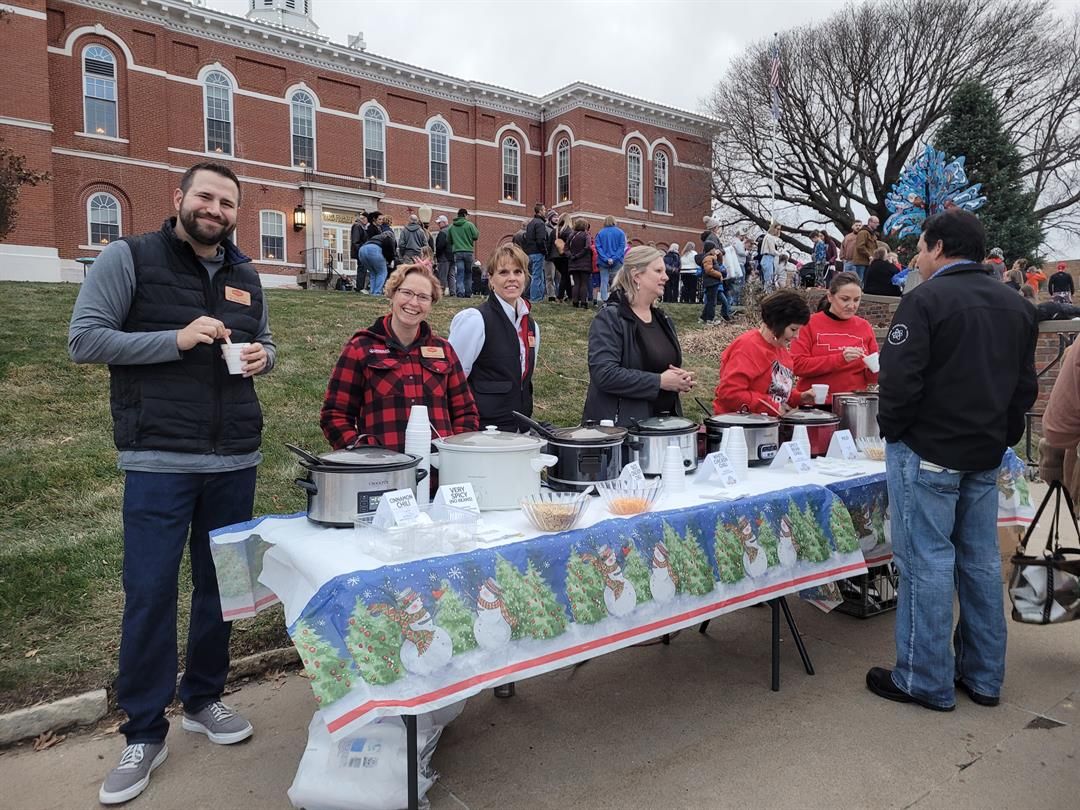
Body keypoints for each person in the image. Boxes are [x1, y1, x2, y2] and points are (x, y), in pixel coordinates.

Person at [68, 162, 273, 805]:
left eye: (227, 202)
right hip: (158, 458)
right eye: (206, 196)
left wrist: (265, 356)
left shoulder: (245, 273)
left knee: (223, 587)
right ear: (179, 198)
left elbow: (263, 341)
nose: (216, 209)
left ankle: (204, 699)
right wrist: (175, 339)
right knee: (151, 593)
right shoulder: (128, 257)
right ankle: (143, 730)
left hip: (234, 458)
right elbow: (84, 340)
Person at [867, 209, 1038, 712]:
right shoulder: (1016, 305)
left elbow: (899, 381)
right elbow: (1023, 387)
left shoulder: (925, 300)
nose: (917, 258)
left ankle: (924, 678)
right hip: (982, 453)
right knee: (980, 563)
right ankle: (984, 676)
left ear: (939, 247)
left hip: (930, 453)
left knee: (928, 562)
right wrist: (1001, 436)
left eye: (921, 248)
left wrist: (898, 433)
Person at [321, 260, 479, 453]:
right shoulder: (361, 348)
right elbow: (335, 415)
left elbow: (466, 412)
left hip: (439, 468)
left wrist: (454, 453)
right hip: (381, 469)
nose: (413, 303)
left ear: (431, 303)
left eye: (423, 297)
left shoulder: (444, 351)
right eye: (407, 293)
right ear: (392, 294)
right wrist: (362, 455)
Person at [582, 245, 695, 425]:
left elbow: (662, 366)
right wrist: (659, 381)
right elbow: (604, 374)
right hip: (622, 429)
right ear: (636, 276)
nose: (666, 277)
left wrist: (678, 379)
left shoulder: (663, 319)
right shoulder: (611, 318)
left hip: (663, 427)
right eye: (658, 271)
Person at [448, 244, 538, 432]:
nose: (512, 278)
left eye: (518, 272)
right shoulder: (475, 319)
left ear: (525, 277)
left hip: (520, 432)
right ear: (490, 278)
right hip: (482, 431)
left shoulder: (531, 327)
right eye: (503, 272)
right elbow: (452, 380)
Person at [712, 290, 815, 415]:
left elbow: (776, 391)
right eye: (793, 329)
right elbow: (729, 394)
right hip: (740, 423)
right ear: (776, 324)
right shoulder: (747, 348)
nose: (797, 336)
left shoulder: (780, 348)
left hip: (768, 423)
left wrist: (799, 397)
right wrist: (769, 406)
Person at [790, 271, 879, 405]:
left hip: (854, 404)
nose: (851, 306)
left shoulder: (864, 326)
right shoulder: (809, 324)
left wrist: (878, 370)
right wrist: (840, 359)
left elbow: (872, 378)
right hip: (816, 403)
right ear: (830, 297)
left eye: (856, 300)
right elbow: (797, 365)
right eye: (845, 299)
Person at [449, 208, 480, 298]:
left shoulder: (452, 227)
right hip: (468, 251)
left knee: (459, 273)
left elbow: (449, 240)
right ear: (465, 215)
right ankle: (468, 292)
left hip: (458, 252)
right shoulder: (469, 225)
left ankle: (460, 292)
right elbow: (476, 235)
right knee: (468, 273)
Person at [595, 216, 626, 304]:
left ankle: (604, 300)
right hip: (617, 261)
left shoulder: (600, 233)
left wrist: (606, 258)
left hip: (603, 261)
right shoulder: (620, 232)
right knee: (616, 281)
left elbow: (598, 247)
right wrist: (614, 258)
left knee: (604, 281)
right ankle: (615, 299)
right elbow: (622, 247)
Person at [357, 227, 397, 296]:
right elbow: (390, 252)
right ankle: (377, 292)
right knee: (382, 272)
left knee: (373, 272)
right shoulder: (389, 238)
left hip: (362, 250)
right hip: (375, 250)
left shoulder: (377, 236)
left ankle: (372, 291)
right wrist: (390, 261)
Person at [698, 246, 731, 324]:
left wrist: (719, 255)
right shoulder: (708, 258)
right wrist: (719, 275)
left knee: (710, 301)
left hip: (713, 282)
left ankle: (703, 317)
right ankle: (710, 319)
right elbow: (709, 270)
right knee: (712, 302)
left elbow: (719, 262)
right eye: (713, 248)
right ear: (710, 249)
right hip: (711, 282)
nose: (715, 250)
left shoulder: (712, 258)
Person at [522, 203, 548, 301]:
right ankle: (535, 298)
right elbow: (540, 240)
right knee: (537, 276)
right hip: (537, 252)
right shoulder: (540, 223)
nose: (545, 211)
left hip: (530, 253)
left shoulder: (531, 223)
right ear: (540, 211)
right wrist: (544, 251)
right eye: (544, 210)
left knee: (536, 275)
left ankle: (538, 296)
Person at [566, 217, 593, 308]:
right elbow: (587, 247)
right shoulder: (586, 235)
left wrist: (571, 256)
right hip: (584, 262)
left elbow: (566, 248)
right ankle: (583, 302)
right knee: (584, 283)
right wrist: (578, 255)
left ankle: (575, 302)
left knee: (576, 283)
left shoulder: (571, 235)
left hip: (573, 263)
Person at [851, 215, 879, 284]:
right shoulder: (863, 232)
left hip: (868, 262)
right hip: (861, 262)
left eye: (878, 223)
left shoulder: (872, 234)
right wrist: (869, 255)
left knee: (865, 282)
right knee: (859, 281)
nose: (877, 225)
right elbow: (860, 246)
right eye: (876, 223)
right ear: (870, 222)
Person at [551, 214, 572, 303]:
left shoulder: (554, 231)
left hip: (555, 257)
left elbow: (550, 244)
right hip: (564, 256)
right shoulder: (568, 231)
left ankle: (570, 295)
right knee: (565, 276)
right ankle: (560, 296)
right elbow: (570, 244)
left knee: (565, 276)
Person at [434, 214, 454, 295]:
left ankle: (441, 291)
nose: (438, 224)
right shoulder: (452, 231)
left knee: (443, 275)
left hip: (444, 257)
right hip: (453, 256)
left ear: (444, 222)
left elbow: (440, 246)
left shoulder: (443, 232)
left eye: (439, 223)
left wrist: (437, 255)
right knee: (451, 275)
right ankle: (453, 291)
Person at [759, 223, 782, 289]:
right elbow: (772, 251)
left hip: (768, 258)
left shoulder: (768, 236)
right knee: (768, 280)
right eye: (777, 229)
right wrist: (780, 254)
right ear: (773, 228)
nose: (778, 231)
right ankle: (768, 293)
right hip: (768, 258)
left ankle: (767, 292)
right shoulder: (770, 237)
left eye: (779, 229)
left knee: (768, 279)